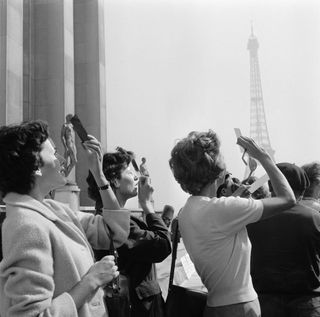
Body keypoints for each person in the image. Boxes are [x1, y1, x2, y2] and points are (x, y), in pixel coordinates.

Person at [0, 120, 130, 317]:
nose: (62, 158)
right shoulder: (26, 225)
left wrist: (99, 174)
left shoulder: (53, 209)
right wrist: (91, 281)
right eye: (53, 152)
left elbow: (113, 232)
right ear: (34, 163)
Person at [169, 130, 295, 317]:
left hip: (214, 307)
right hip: (239, 308)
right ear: (214, 166)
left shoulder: (186, 212)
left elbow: (215, 225)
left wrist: (235, 200)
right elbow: (288, 199)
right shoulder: (223, 210)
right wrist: (264, 158)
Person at [86, 147, 171, 317]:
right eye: (129, 172)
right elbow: (163, 245)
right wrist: (147, 206)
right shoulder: (116, 224)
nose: (136, 177)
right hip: (137, 308)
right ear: (115, 181)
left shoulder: (104, 219)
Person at [247, 163, 320, 317]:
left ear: (271, 186)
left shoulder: (252, 219)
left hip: (264, 302)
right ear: (302, 190)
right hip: (307, 303)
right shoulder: (314, 218)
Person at [61, 113, 77, 177]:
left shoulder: (72, 125)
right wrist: (65, 147)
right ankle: (65, 174)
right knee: (74, 161)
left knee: (73, 161)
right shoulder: (65, 125)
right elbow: (62, 136)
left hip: (73, 144)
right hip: (69, 144)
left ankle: (65, 174)